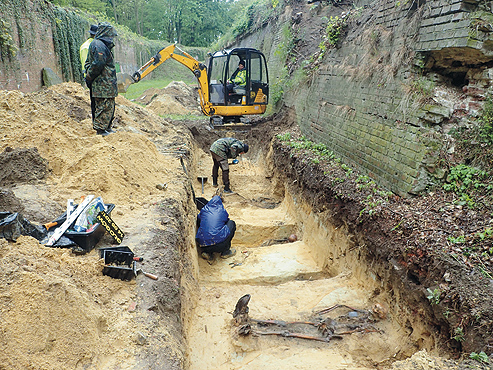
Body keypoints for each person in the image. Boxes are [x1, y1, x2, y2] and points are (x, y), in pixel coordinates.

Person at [84, 22, 118, 136]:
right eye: (110, 35)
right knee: (103, 106)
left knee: (108, 106)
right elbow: (98, 63)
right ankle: (101, 130)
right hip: (102, 84)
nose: (111, 38)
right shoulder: (98, 44)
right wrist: (89, 76)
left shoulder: (102, 44)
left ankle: (106, 127)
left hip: (107, 84)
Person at [195, 195, 237, 261]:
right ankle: (225, 252)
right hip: (220, 246)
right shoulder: (222, 211)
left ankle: (207, 253)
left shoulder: (203, 210)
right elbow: (226, 221)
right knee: (231, 223)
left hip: (204, 246)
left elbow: (199, 221)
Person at [80, 24, 98, 122]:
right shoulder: (88, 47)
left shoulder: (88, 45)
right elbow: (87, 64)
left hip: (90, 76)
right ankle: (96, 121)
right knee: (95, 101)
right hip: (91, 77)